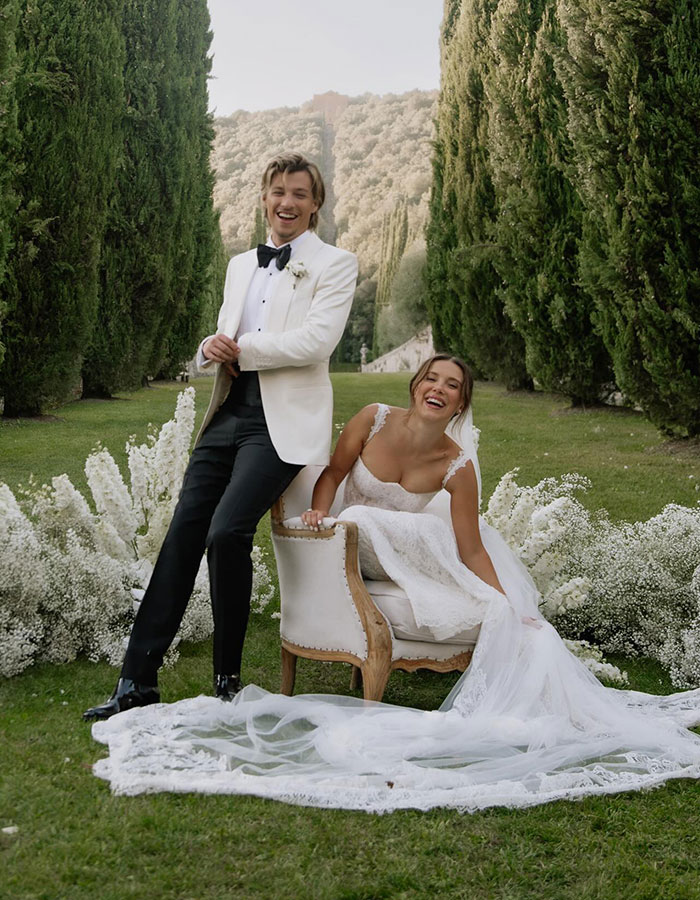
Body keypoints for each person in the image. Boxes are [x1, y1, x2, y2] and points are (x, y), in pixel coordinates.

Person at [89, 356, 700, 813]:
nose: (439, 390)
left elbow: (468, 546)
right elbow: (330, 475)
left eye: (452, 387)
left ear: (461, 405)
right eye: (432, 380)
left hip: (413, 550)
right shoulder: (372, 419)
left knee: (484, 594)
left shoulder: (458, 467)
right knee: (353, 515)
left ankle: (508, 622)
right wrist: (319, 515)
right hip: (351, 541)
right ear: (415, 387)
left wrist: (511, 601)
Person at [83, 151, 358, 720]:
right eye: (278, 190)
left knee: (227, 532)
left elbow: (317, 342)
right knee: (183, 535)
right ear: (263, 197)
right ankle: (136, 682)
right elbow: (229, 330)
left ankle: (228, 683)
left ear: (315, 204)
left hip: (280, 426)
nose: (288, 202)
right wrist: (213, 346)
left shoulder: (335, 263)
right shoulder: (239, 265)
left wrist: (243, 350)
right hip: (228, 411)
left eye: (300, 194)